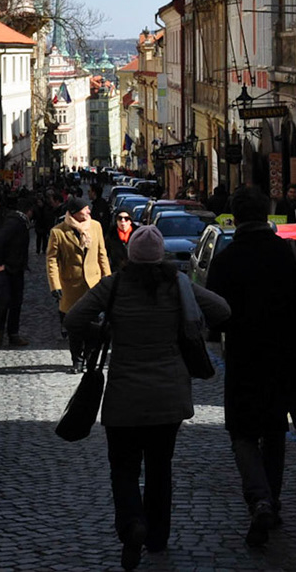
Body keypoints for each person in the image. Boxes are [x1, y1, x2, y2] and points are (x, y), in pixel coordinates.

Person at [65, 225, 229, 570]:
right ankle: (156, 536)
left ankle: (132, 524)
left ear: (130, 257)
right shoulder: (178, 285)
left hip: (124, 396)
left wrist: (104, 331)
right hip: (168, 397)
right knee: (159, 468)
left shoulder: (113, 286)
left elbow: (75, 318)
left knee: (123, 468)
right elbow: (222, 310)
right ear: (161, 256)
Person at [206, 184, 296, 549]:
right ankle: (270, 501)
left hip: (244, 357)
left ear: (235, 218)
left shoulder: (226, 260)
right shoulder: (292, 252)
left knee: (243, 433)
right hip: (284, 355)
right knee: (275, 431)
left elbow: (214, 317)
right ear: (266, 214)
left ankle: (260, 499)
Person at [46, 197, 111, 371]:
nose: (89, 211)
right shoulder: (58, 232)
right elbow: (52, 260)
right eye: (85, 209)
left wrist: (108, 280)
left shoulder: (95, 226)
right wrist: (55, 285)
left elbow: (102, 255)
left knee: (94, 325)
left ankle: (89, 357)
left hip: (94, 286)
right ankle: (77, 360)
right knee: (74, 327)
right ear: (75, 212)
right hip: (71, 287)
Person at [0, 193, 30, 347]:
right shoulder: (14, 222)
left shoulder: (19, 221)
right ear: (29, 211)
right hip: (6, 269)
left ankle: (13, 334)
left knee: (16, 302)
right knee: (4, 301)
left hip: (16, 268)